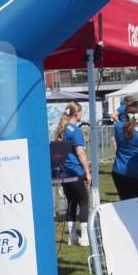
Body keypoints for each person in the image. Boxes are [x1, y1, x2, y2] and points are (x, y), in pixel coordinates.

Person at [55, 102, 92, 245]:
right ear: (76, 113)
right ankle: (84, 237)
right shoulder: (75, 130)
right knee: (83, 201)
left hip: (64, 172)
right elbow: (80, 152)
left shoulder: (62, 128)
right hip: (75, 170)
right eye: (81, 111)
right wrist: (87, 172)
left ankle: (72, 237)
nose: (81, 114)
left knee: (71, 202)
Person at [111, 102, 138, 200]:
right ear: (137, 116)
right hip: (135, 173)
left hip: (118, 171)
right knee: (136, 203)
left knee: (124, 201)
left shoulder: (118, 127)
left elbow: (120, 123)